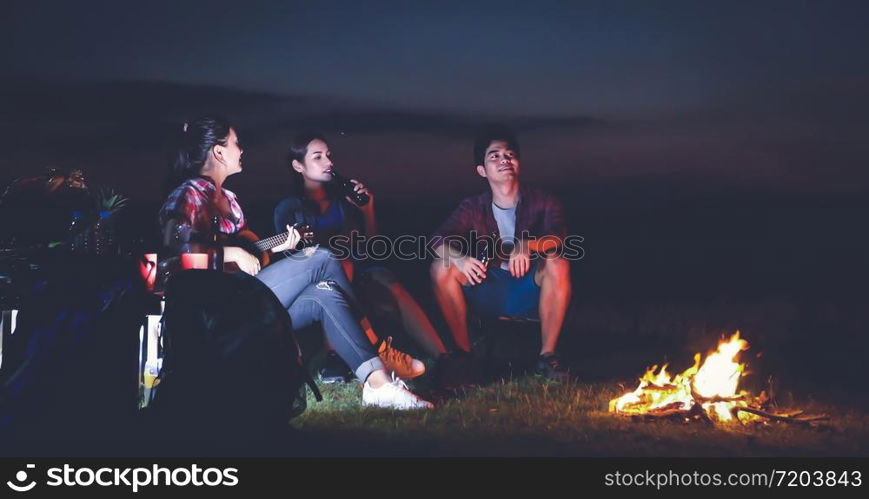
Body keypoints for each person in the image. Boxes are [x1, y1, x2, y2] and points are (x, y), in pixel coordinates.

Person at [158, 116, 431, 409]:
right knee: (323, 257)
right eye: (236, 143)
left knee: (325, 292)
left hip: (245, 296)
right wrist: (230, 254)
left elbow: (252, 257)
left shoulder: (231, 200)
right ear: (219, 152)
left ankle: (378, 384)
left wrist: (278, 247)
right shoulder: (190, 193)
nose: (242, 149)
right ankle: (379, 349)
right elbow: (174, 252)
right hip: (218, 309)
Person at [273, 132, 448, 380]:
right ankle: (338, 356)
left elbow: (370, 247)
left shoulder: (342, 202)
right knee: (341, 264)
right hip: (319, 281)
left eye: (329, 156)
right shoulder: (289, 208)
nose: (328, 163)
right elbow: (294, 261)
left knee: (391, 285)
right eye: (318, 157)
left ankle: (446, 357)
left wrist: (368, 211)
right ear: (298, 165)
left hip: (358, 270)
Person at [430, 124, 572, 381]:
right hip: (491, 288)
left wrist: (528, 245)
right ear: (482, 170)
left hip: (530, 288)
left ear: (518, 162)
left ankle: (547, 357)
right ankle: (464, 357)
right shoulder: (473, 206)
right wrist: (461, 259)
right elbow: (438, 239)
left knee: (558, 262)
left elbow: (557, 237)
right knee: (442, 265)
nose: (504, 159)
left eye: (509, 154)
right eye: (494, 155)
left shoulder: (543, 200)